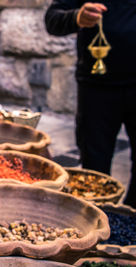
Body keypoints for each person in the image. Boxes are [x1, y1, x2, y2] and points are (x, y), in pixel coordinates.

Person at [45, 1, 136, 208]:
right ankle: (96, 221)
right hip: (97, 90)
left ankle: (130, 220)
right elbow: (52, 20)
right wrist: (77, 17)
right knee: (94, 169)